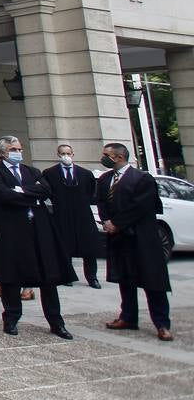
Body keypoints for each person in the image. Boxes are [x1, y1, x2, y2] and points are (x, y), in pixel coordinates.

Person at [0, 135, 74, 339]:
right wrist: (29, 195)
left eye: (19, 149)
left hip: (39, 231)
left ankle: (56, 322)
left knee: (48, 277)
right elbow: (3, 196)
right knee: (12, 278)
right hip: (12, 232)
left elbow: (45, 190)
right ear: (3, 152)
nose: (18, 152)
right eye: (14, 149)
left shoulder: (31, 171)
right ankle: (11, 318)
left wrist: (21, 191)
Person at [98, 142, 173, 341]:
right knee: (125, 278)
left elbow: (142, 206)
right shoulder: (106, 179)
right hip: (120, 239)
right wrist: (106, 221)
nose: (104, 158)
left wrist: (117, 223)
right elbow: (101, 202)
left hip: (142, 237)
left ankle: (162, 324)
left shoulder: (142, 179)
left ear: (119, 157)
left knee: (152, 281)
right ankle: (128, 317)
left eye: (107, 155)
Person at [43, 144, 102, 289]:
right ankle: (67, 275)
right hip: (62, 214)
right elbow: (47, 192)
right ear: (58, 154)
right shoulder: (50, 173)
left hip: (82, 214)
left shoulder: (85, 174)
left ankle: (92, 277)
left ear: (73, 154)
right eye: (63, 153)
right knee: (64, 246)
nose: (66, 156)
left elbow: (91, 193)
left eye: (68, 153)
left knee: (88, 248)